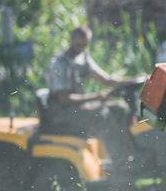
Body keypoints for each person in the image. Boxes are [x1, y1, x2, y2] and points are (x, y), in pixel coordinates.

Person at [44, 25, 141, 161]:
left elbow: (107, 80)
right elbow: (64, 99)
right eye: (78, 45)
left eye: (84, 45)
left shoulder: (83, 58)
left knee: (119, 109)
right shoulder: (59, 64)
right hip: (60, 111)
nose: (81, 49)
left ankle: (130, 155)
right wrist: (96, 97)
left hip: (75, 107)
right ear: (71, 40)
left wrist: (135, 80)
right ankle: (118, 161)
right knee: (102, 115)